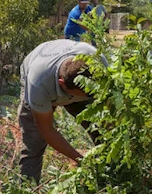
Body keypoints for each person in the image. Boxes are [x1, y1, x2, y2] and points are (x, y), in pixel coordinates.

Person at [18, 39, 101, 182]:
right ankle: (28, 192)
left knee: (102, 131)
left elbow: (112, 113)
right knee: (34, 143)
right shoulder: (38, 83)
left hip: (68, 81)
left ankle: (111, 175)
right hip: (41, 79)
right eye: (78, 95)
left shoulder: (96, 62)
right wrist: (81, 161)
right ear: (62, 84)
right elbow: (47, 131)